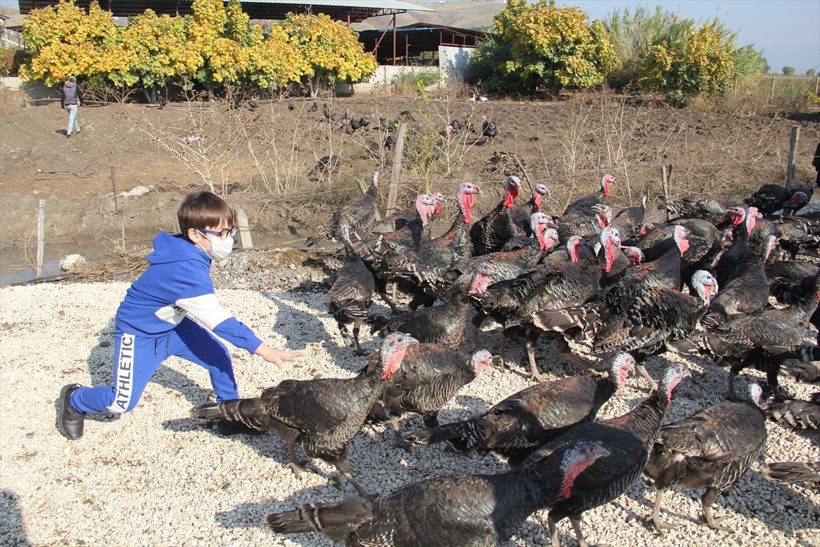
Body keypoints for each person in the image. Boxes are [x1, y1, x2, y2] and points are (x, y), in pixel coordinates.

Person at [57, 191, 304, 440]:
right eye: (221, 234)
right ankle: (75, 400)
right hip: (140, 333)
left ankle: (229, 413)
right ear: (195, 233)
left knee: (218, 357)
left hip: (173, 326)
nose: (227, 240)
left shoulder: (189, 249)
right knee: (121, 403)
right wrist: (264, 350)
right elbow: (219, 321)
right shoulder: (183, 270)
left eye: (230, 232)